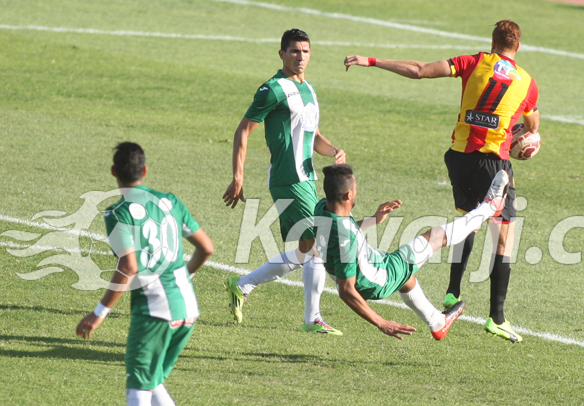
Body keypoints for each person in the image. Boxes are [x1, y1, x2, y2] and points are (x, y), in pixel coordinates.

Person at [343, 20, 539, 343]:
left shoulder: (473, 62)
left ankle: (451, 292)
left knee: (467, 223)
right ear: (518, 47)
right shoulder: (527, 83)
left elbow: (419, 70)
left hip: (460, 158)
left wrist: (372, 61)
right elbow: (532, 121)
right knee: (504, 238)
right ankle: (497, 318)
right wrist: (527, 134)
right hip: (494, 162)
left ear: (492, 43)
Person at [76, 142, 215, 406]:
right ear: (145, 171)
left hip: (154, 311)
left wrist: (98, 313)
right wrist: (183, 276)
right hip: (188, 308)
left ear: (113, 174)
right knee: (152, 383)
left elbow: (129, 266)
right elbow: (207, 248)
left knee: (137, 388)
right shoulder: (169, 201)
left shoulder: (117, 213)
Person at [223, 28, 347, 336]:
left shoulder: (309, 89)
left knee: (306, 251)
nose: (300, 57)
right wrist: (238, 176)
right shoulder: (273, 89)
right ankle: (312, 319)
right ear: (282, 54)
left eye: (305, 51)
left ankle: (242, 285)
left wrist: (333, 150)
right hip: (288, 178)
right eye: (294, 51)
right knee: (319, 244)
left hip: (307, 177)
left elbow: (313, 135)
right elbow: (243, 131)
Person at [314, 164, 509, 341]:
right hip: (377, 280)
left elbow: (338, 232)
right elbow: (346, 290)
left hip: (371, 260)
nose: (357, 193)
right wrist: (382, 323)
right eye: (355, 190)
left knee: (407, 274)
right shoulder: (345, 238)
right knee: (433, 238)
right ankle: (489, 207)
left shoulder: (323, 207)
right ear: (348, 195)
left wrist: (373, 219)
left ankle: (437, 322)